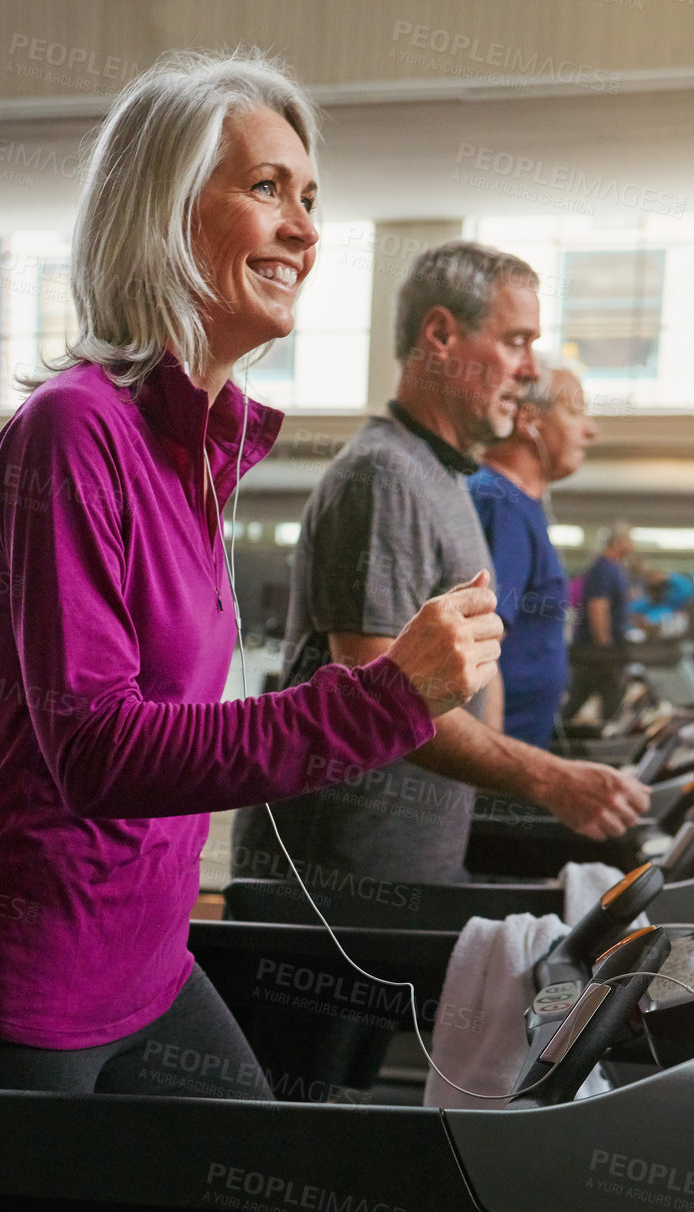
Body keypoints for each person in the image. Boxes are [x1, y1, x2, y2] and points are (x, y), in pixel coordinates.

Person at [0, 50, 506, 1102]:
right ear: (165, 213)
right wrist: (387, 700)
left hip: (153, 967)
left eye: (311, 199)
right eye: (267, 189)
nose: (306, 230)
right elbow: (96, 749)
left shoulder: (199, 461)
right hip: (20, 999)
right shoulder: (71, 430)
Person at [231, 242, 646, 889]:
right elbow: (373, 692)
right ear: (440, 336)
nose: (526, 369)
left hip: (413, 857)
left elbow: (483, 668)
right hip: (347, 875)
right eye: (514, 341)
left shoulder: (444, 480)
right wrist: (545, 778)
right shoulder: (384, 475)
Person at [468, 356, 598, 748]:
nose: (589, 431)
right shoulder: (500, 503)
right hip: (497, 767)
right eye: (575, 411)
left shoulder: (518, 505)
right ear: (528, 420)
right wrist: (489, 765)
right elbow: (480, 649)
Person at [564, 525, 637, 723]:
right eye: (629, 540)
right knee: (611, 696)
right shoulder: (604, 567)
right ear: (618, 541)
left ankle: (558, 734)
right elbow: (598, 607)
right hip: (596, 649)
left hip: (599, 650)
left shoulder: (615, 568)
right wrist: (604, 648)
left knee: (582, 696)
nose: (632, 545)